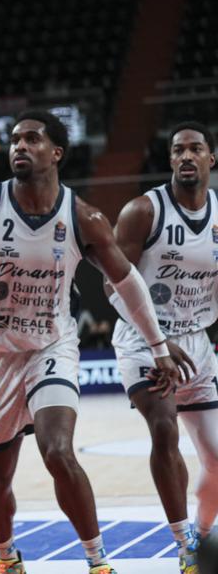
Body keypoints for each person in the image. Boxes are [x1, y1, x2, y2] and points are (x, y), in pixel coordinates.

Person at [0, 109, 194, 574]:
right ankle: (6, 558)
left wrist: (158, 345)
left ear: (56, 153)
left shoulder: (84, 218)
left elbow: (129, 282)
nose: (19, 146)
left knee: (58, 450)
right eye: (15, 140)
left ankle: (97, 562)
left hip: (51, 347)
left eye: (32, 139)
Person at [109, 121, 218, 573]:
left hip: (196, 342)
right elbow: (113, 285)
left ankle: (203, 535)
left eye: (196, 149)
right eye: (178, 151)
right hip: (143, 338)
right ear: (170, 160)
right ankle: (183, 545)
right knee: (164, 427)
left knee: (216, 461)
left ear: (211, 159)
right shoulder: (142, 211)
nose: (186, 157)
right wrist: (158, 340)